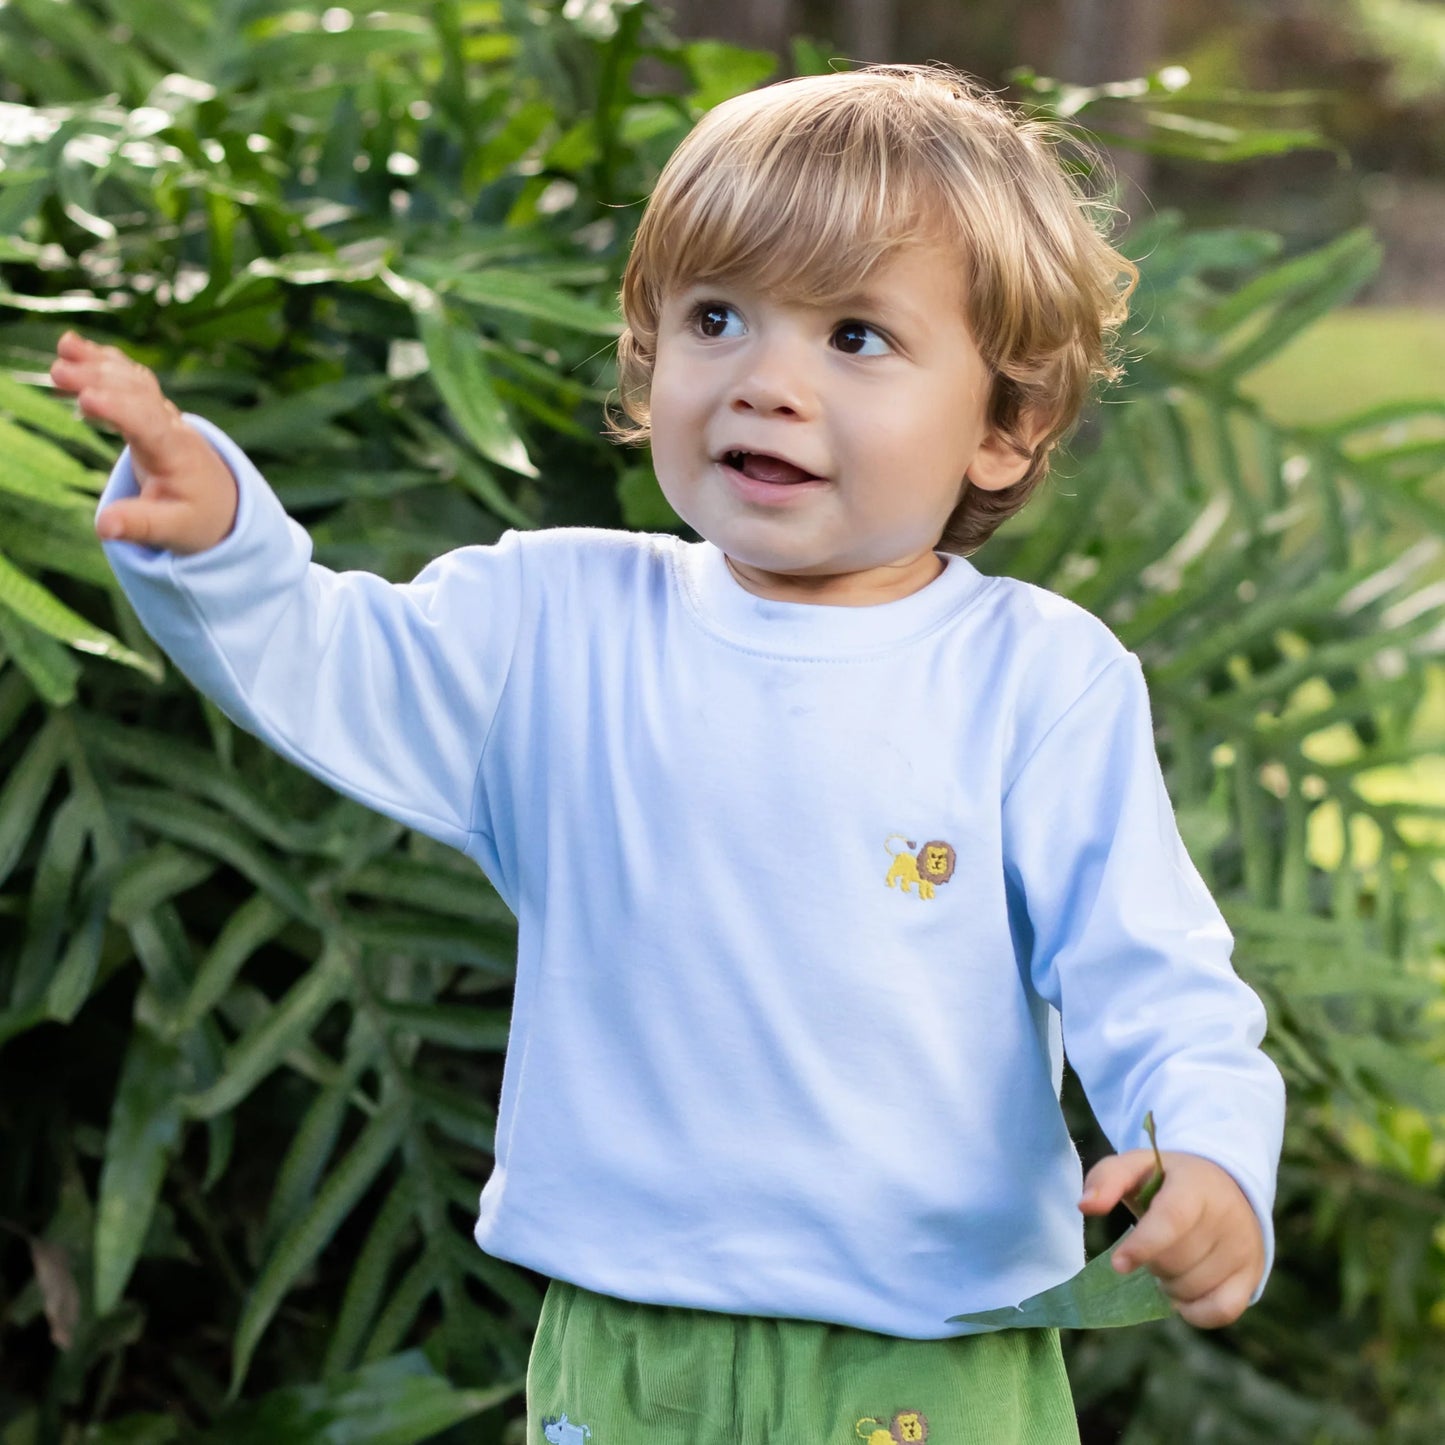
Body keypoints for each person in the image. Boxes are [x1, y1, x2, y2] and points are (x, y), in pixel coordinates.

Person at [53, 64, 1284, 1445]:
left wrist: (1210, 1151)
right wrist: (223, 540)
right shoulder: (554, 624)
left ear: (1008, 425)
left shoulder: (1035, 679)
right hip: (629, 1351)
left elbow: (1150, 973)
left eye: (856, 336)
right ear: (649, 358)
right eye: (716, 318)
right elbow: (327, 659)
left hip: (930, 1360)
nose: (767, 382)